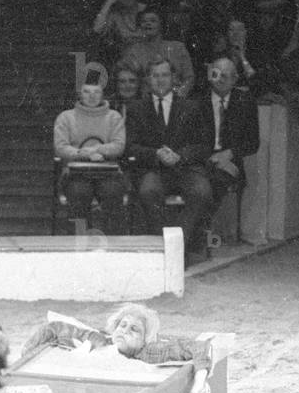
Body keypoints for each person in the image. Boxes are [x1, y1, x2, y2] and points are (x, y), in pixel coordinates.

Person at [21, 302, 212, 393]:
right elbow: (54, 328)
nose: (125, 331)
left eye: (134, 329)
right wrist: (25, 358)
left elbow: (199, 346)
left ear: (145, 340)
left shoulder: (147, 353)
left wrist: (198, 384)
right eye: (122, 325)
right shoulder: (99, 340)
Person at [124, 57, 209, 246]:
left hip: (185, 168)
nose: (160, 80)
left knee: (202, 192)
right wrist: (156, 154)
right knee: (148, 192)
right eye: (155, 76)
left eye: (165, 75)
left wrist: (180, 156)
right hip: (153, 169)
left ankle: (177, 245)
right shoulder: (136, 109)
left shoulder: (191, 107)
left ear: (173, 78)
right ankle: (164, 246)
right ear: (148, 79)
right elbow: (130, 147)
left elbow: (203, 146)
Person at [186, 56, 258, 256]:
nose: (220, 79)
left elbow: (253, 143)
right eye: (216, 74)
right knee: (201, 186)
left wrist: (229, 153)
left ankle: (195, 240)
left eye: (226, 76)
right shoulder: (196, 100)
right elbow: (189, 140)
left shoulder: (245, 101)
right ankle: (197, 241)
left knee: (215, 183)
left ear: (235, 79)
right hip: (201, 160)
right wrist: (211, 158)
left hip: (229, 162)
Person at [53, 76, 127, 234]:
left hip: (108, 174)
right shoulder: (66, 117)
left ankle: (112, 241)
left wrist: (98, 150)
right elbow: (60, 147)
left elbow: (119, 145)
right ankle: (80, 241)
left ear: (102, 94)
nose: (92, 96)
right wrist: (83, 154)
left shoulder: (114, 117)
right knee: (79, 193)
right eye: (87, 92)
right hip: (76, 174)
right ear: (80, 94)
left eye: (96, 92)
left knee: (113, 193)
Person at [119, 7, 195, 96]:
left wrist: (179, 94)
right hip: (145, 100)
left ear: (161, 25)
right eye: (144, 21)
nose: (148, 23)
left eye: (153, 21)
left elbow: (189, 77)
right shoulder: (133, 51)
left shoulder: (178, 48)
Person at [92, 0, 146, 65]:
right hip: (128, 61)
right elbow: (97, 29)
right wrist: (108, 3)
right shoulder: (115, 15)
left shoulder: (146, 9)